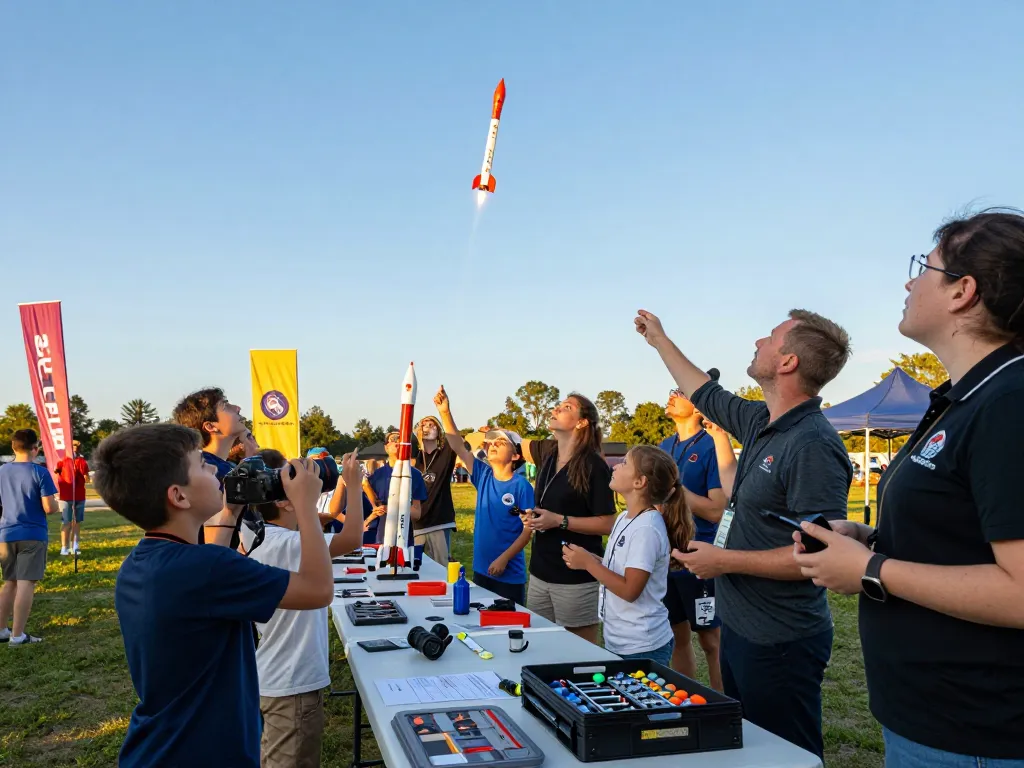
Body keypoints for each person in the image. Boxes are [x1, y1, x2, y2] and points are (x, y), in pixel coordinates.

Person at [792, 210, 1024, 767]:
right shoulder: (963, 398)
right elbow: (960, 532)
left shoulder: (1008, 400)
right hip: (932, 722)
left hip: (974, 736)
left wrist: (870, 571)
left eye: (925, 267)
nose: (908, 282)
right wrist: (867, 536)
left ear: (963, 292)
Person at [636, 307, 852, 761]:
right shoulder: (760, 421)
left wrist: (725, 560)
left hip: (779, 642)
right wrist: (659, 340)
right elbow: (704, 390)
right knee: (750, 748)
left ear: (788, 363)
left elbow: (821, 557)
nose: (758, 341)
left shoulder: (813, 444)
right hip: (743, 627)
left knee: (785, 755)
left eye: (770, 338)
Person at [92, 423, 334, 767]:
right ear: (179, 496)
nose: (216, 470)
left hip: (160, 746)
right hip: (209, 752)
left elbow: (208, 574)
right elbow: (319, 589)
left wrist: (231, 511)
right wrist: (306, 507)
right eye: (201, 465)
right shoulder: (206, 568)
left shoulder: (140, 563)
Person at [240, 448, 364, 768]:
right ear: (282, 499)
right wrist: (351, 484)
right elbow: (352, 538)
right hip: (293, 684)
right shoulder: (291, 544)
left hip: (268, 674)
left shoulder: (255, 535)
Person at [562, 445, 691, 667]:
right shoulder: (625, 518)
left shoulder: (646, 529)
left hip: (642, 646)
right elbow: (623, 570)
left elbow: (630, 590)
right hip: (621, 641)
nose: (616, 466)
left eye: (624, 464)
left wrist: (588, 565)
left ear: (639, 482)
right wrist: (594, 561)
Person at [519, 394, 617, 644]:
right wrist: (535, 518)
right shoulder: (549, 456)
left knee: (578, 651)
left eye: (566, 407)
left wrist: (560, 521)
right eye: (558, 405)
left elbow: (608, 523)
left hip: (575, 577)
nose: (556, 409)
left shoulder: (594, 465)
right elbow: (549, 508)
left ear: (582, 422)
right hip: (541, 572)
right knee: (540, 645)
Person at [434, 386, 533, 605]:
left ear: (516, 455)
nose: (493, 446)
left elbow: (528, 531)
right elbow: (459, 446)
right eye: (491, 443)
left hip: (508, 573)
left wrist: (504, 559)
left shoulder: (522, 486)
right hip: (481, 570)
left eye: (501, 443)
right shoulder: (483, 474)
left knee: (509, 627)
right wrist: (444, 412)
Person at [658, 388, 727, 688]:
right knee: (676, 636)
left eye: (681, 392)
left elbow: (716, 511)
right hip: (666, 556)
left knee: (711, 640)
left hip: (699, 557)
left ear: (699, 409)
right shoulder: (664, 446)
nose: (671, 395)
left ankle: (725, 707)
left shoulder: (713, 446)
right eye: (672, 390)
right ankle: (688, 703)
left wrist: (677, 491)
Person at [0, 429, 59, 646]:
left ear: (13, 447)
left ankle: (2, 630)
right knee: (26, 584)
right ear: (35, 449)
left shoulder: (2, 471)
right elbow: (49, 507)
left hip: (6, 534)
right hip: (32, 535)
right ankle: (17, 636)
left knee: (9, 582)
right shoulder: (40, 472)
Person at [171, 388, 248, 483]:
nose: (237, 408)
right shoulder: (205, 472)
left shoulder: (223, 467)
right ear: (210, 426)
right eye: (225, 406)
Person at [362, 431, 426, 546]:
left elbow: (417, 513)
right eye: (393, 439)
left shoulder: (415, 475)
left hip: (403, 537)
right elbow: (368, 509)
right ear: (386, 447)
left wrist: (391, 508)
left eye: (400, 439)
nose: (397, 441)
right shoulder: (376, 476)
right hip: (377, 535)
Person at [411, 415, 458, 564]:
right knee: (414, 567)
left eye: (433, 425)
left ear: (439, 431)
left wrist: (444, 412)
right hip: (416, 521)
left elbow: (455, 438)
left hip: (439, 519)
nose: (428, 428)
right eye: (424, 425)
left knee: (441, 568)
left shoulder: (446, 452)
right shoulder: (414, 456)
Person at [54, 439, 90, 556]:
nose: (75, 447)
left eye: (77, 445)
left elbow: (86, 478)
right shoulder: (62, 461)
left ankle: (75, 545)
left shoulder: (82, 461)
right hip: (65, 496)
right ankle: (64, 547)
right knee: (66, 522)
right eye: (73, 445)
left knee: (76, 522)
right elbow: (55, 472)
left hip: (79, 496)